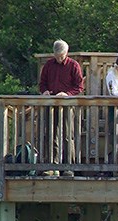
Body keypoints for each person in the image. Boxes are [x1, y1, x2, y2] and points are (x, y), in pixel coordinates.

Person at [38, 40, 85, 176]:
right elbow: (42, 84)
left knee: (67, 135)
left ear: (66, 53)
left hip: (67, 104)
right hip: (51, 103)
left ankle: (68, 166)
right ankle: (52, 165)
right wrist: (45, 91)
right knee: (51, 134)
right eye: (57, 56)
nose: (59, 58)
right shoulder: (48, 65)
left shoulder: (73, 65)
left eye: (61, 56)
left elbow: (79, 87)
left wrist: (67, 94)